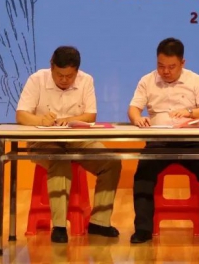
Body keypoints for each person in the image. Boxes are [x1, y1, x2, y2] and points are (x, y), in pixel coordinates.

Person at [16, 45, 121, 243]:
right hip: (43, 142)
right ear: (51, 66)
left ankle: (99, 222)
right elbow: (21, 115)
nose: (64, 80)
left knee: (111, 162)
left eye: (69, 76)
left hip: (77, 140)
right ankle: (59, 226)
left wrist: (69, 119)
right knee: (60, 160)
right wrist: (41, 121)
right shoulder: (37, 79)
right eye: (59, 75)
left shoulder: (86, 80)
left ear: (77, 71)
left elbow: (90, 115)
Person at [127, 37, 199, 244]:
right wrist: (137, 118)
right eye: (161, 66)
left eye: (171, 67)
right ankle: (143, 230)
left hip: (192, 143)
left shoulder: (196, 81)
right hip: (158, 142)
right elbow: (134, 108)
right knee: (142, 176)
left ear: (182, 63)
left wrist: (189, 112)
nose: (165, 71)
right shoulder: (147, 80)